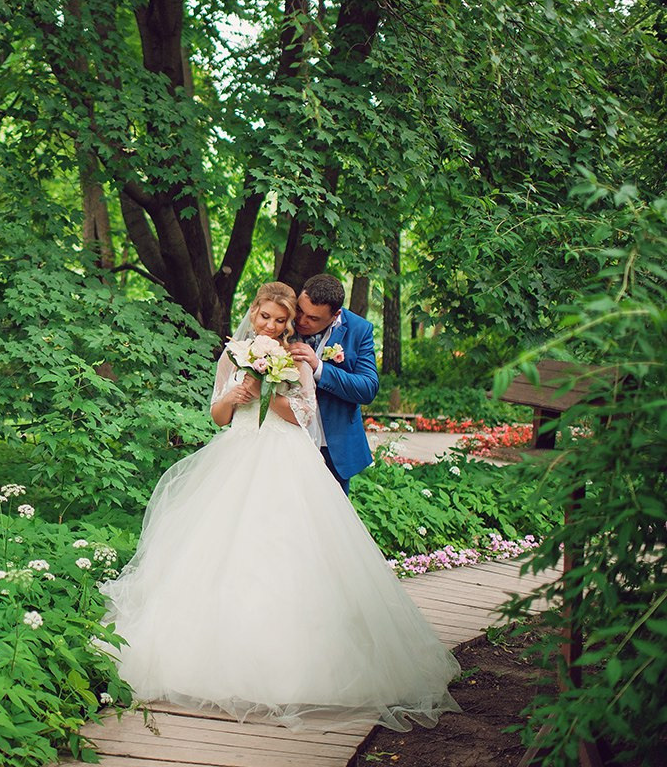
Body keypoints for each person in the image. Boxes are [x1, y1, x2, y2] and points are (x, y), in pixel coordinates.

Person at [101, 281, 459, 733]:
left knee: (289, 555)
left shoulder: (298, 358)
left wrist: (274, 387)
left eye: (281, 320)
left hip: (286, 460)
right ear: (252, 313)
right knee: (220, 552)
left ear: (291, 325)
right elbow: (218, 413)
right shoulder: (233, 354)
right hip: (235, 457)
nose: (271, 325)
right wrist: (236, 395)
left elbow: (306, 416)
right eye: (265, 316)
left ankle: (299, 667)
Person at [287, 274, 379, 495]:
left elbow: (367, 388)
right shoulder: (282, 319)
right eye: (300, 310)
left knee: (332, 523)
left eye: (313, 318)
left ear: (335, 315)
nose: (301, 321)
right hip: (286, 440)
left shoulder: (359, 330)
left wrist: (319, 367)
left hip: (333, 447)